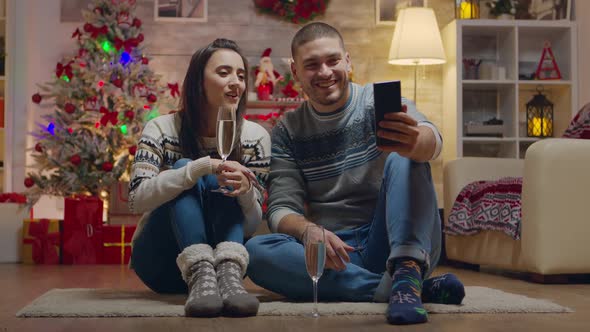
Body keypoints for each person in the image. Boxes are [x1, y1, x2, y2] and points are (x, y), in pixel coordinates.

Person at [245, 22, 465, 325]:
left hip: (394, 239)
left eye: (332, 60)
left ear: (348, 61)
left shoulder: (378, 102)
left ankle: (406, 270)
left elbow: (432, 140)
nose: (324, 72)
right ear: (295, 73)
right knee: (256, 251)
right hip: (337, 255)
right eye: (312, 65)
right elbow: (282, 207)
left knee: (404, 155)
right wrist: (309, 231)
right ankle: (400, 290)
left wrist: (416, 142)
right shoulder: (287, 130)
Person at [128, 38, 270, 318]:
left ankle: (226, 272)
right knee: (184, 166)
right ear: (197, 81)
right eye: (223, 72)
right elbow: (136, 200)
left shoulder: (256, 137)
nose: (236, 82)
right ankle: (198, 270)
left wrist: (243, 192)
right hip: (161, 261)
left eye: (241, 76)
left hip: (225, 273)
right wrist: (199, 168)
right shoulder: (161, 128)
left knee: (228, 172)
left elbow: (253, 223)